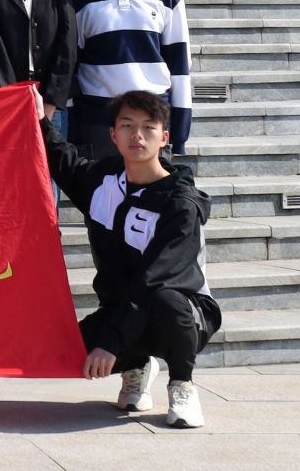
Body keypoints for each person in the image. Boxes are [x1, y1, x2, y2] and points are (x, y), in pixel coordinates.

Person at [41, 90, 220, 429]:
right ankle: (138, 364)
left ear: (164, 137)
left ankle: (182, 384)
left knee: (166, 300)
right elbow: (62, 160)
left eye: (148, 127)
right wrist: (37, 117)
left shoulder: (181, 204)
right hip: (122, 308)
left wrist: (111, 343)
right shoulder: (103, 183)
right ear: (113, 134)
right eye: (127, 125)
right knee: (65, 354)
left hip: (184, 314)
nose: (137, 135)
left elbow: (155, 280)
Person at [69, 0, 193, 153]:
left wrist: (180, 131)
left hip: (152, 117)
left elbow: (179, 65)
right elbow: (71, 64)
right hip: (97, 119)